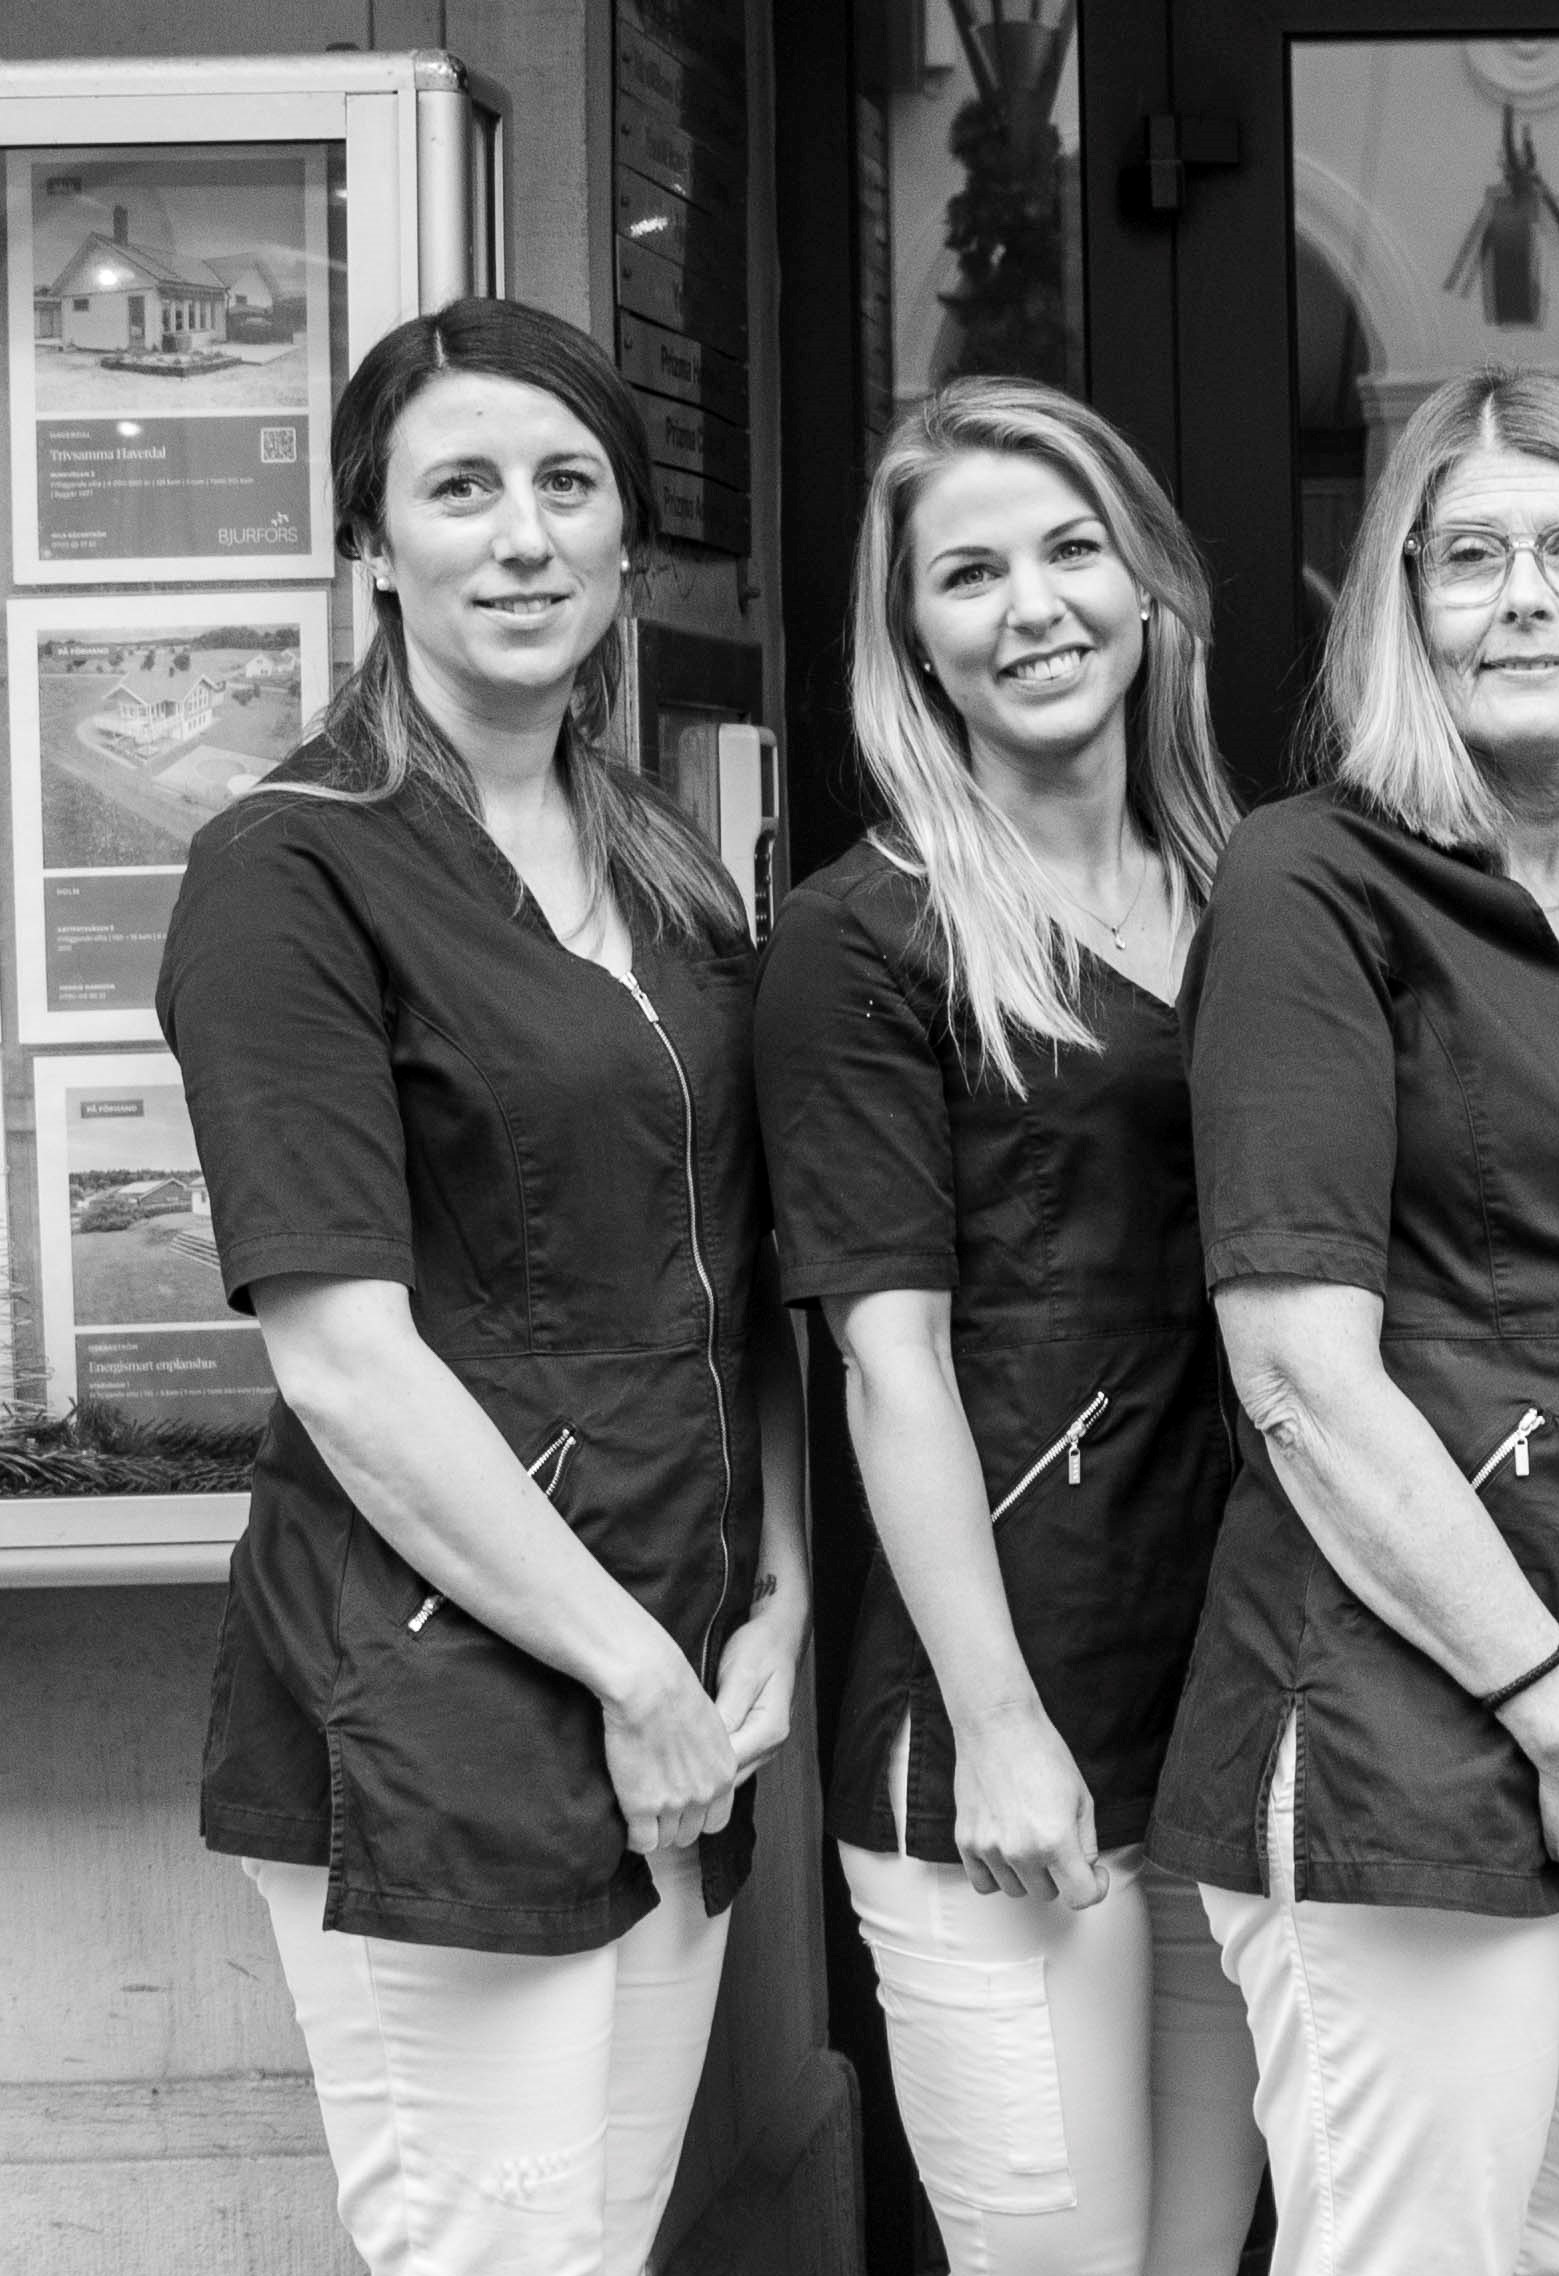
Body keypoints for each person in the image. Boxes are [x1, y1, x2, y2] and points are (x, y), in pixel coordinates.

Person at [160, 295, 797, 2276]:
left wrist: (780, 1588)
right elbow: (348, 1366)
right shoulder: (289, 872)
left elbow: (737, 1270)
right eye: (460, 491)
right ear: (373, 546)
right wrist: (637, 1672)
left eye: (566, 484)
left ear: (627, 546)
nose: (522, 537)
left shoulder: (669, 870)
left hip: (682, 1677)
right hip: (442, 1693)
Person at [1159, 368, 1559, 2273]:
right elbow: (1296, 1372)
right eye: (1470, 558)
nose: (1529, 598)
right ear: (1402, 606)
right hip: (1410, 1741)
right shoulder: (1311, 880)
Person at [758, 376, 1262, 2275]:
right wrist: (997, 1728)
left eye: (1071, 550)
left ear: (1150, 586)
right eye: (968, 574)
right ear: (913, 641)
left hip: (1236, 1700)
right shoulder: (868, 934)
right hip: (1006, 1712)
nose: (1032, 605)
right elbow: (884, 1363)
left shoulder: (1255, 895)